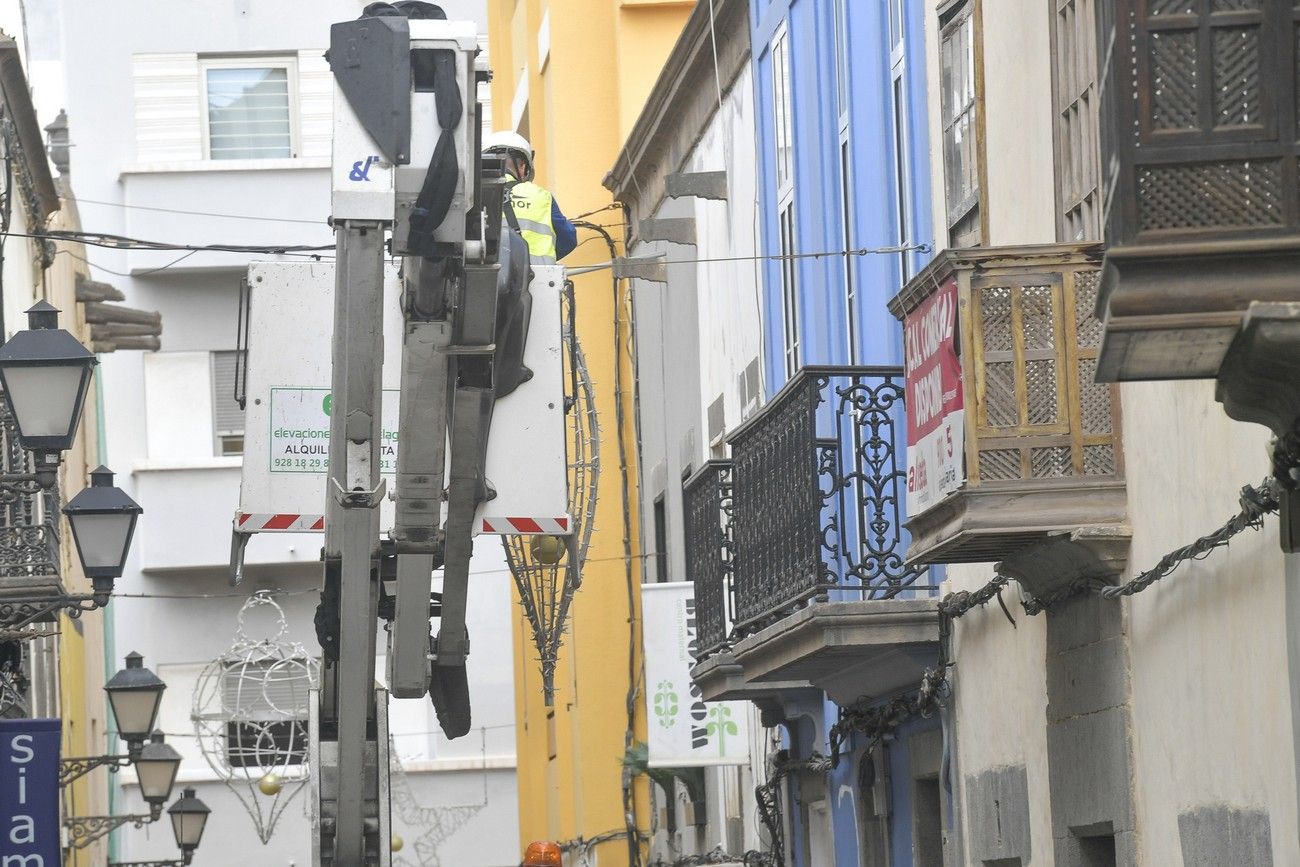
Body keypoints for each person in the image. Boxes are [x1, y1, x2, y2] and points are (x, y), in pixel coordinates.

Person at [483, 131, 577, 263]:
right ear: (522, 166)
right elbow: (568, 238)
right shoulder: (542, 197)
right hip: (539, 279)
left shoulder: (475, 196)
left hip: (484, 280)